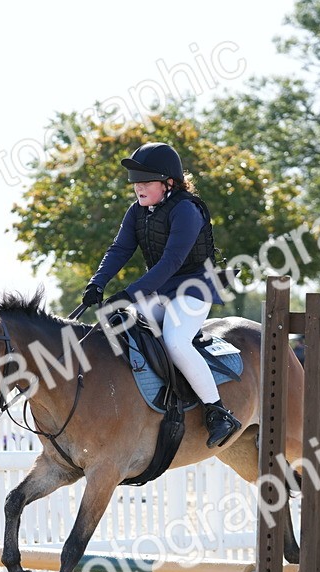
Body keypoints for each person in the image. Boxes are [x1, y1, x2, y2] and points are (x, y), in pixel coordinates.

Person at [82, 142, 241, 447]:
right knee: (116, 328)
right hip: (161, 289)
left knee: (176, 342)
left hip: (193, 288)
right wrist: (97, 284)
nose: (137, 188)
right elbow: (120, 250)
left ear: (169, 183)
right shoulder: (136, 212)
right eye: (135, 183)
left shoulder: (187, 210)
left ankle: (217, 411)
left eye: (145, 182)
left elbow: (172, 261)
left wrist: (130, 293)